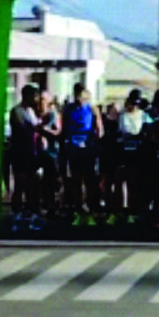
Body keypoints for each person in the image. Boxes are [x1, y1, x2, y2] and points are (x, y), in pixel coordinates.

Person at [61, 84, 101, 226]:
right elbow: (64, 128)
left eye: (82, 94)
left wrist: (94, 141)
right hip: (73, 148)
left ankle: (91, 209)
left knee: (90, 179)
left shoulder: (92, 109)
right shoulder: (69, 109)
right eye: (77, 94)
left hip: (88, 148)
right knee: (76, 179)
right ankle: (78, 209)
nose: (80, 98)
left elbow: (99, 129)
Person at [8, 85, 43, 231]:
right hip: (19, 152)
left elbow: (36, 128)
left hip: (31, 152)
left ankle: (30, 213)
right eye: (34, 96)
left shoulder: (30, 111)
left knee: (33, 184)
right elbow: (24, 129)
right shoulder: (17, 111)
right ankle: (16, 214)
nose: (36, 99)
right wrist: (37, 128)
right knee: (20, 183)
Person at [118, 88, 149, 222]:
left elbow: (147, 131)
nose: (134, 106)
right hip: (127, 152)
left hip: (140, 152)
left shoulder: (144, 116)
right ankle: (128, 208)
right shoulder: (123, 116)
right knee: (128, 181)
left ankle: (137, 208)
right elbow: (123, 132)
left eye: (137, 104)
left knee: (139, 182)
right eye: (132, 103)